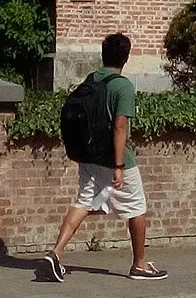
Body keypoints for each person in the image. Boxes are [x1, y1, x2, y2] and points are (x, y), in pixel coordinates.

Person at [42, 33, 166, 282]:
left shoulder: (91, 80)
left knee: (84, 202)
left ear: (103, 54)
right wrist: (119, 166)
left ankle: (56, 252)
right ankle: (139, 265)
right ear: (126, 57)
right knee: (137, 208)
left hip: (89, 156)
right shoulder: (122, 86)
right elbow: (120, 127)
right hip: (113, 158)